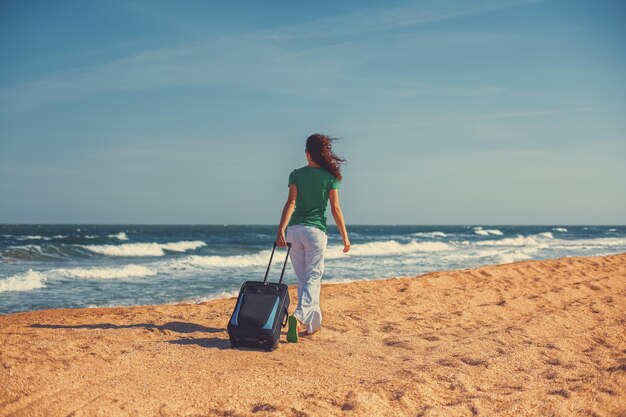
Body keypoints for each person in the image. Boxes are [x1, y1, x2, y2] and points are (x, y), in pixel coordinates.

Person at [276, 133, 350, 343]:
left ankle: (313, 325)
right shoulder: (330, 177)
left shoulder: (296, 174)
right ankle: (298, 316)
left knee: (304, 279)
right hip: (315, 233)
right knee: (313, 277)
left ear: (307, 154)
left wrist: (281, 228)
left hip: (294, 231)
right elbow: (335, 208)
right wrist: (345, 237)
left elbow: (290, 203)